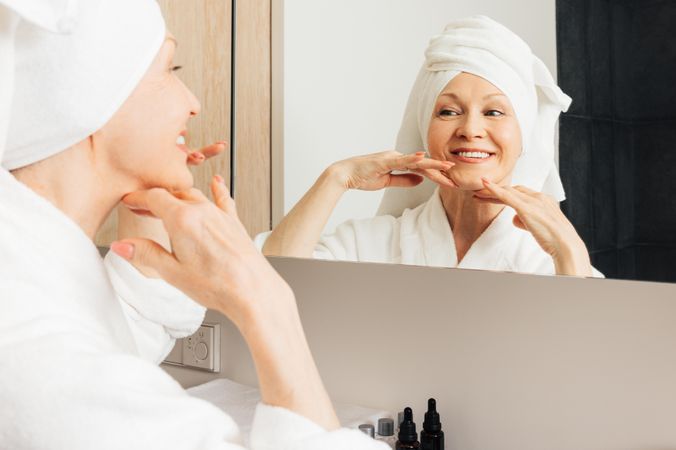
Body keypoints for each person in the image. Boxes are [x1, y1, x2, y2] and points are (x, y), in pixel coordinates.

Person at [0, 1, 388, 448]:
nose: (192, 102)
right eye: (170, 69)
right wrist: (264, 299)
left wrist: (148, 213)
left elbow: (110, 345)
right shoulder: (39, 355)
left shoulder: (27, 283)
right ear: (91, 98)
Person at [261, 16, 602, 278]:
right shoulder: (372, 244)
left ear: (524, 132)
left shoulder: (550, 259)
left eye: (494, 112)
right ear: (426, 127)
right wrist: (337, 177)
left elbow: (593, 359)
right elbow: (270, 286)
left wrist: (570, 253)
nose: (470, 129)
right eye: (449, 111)